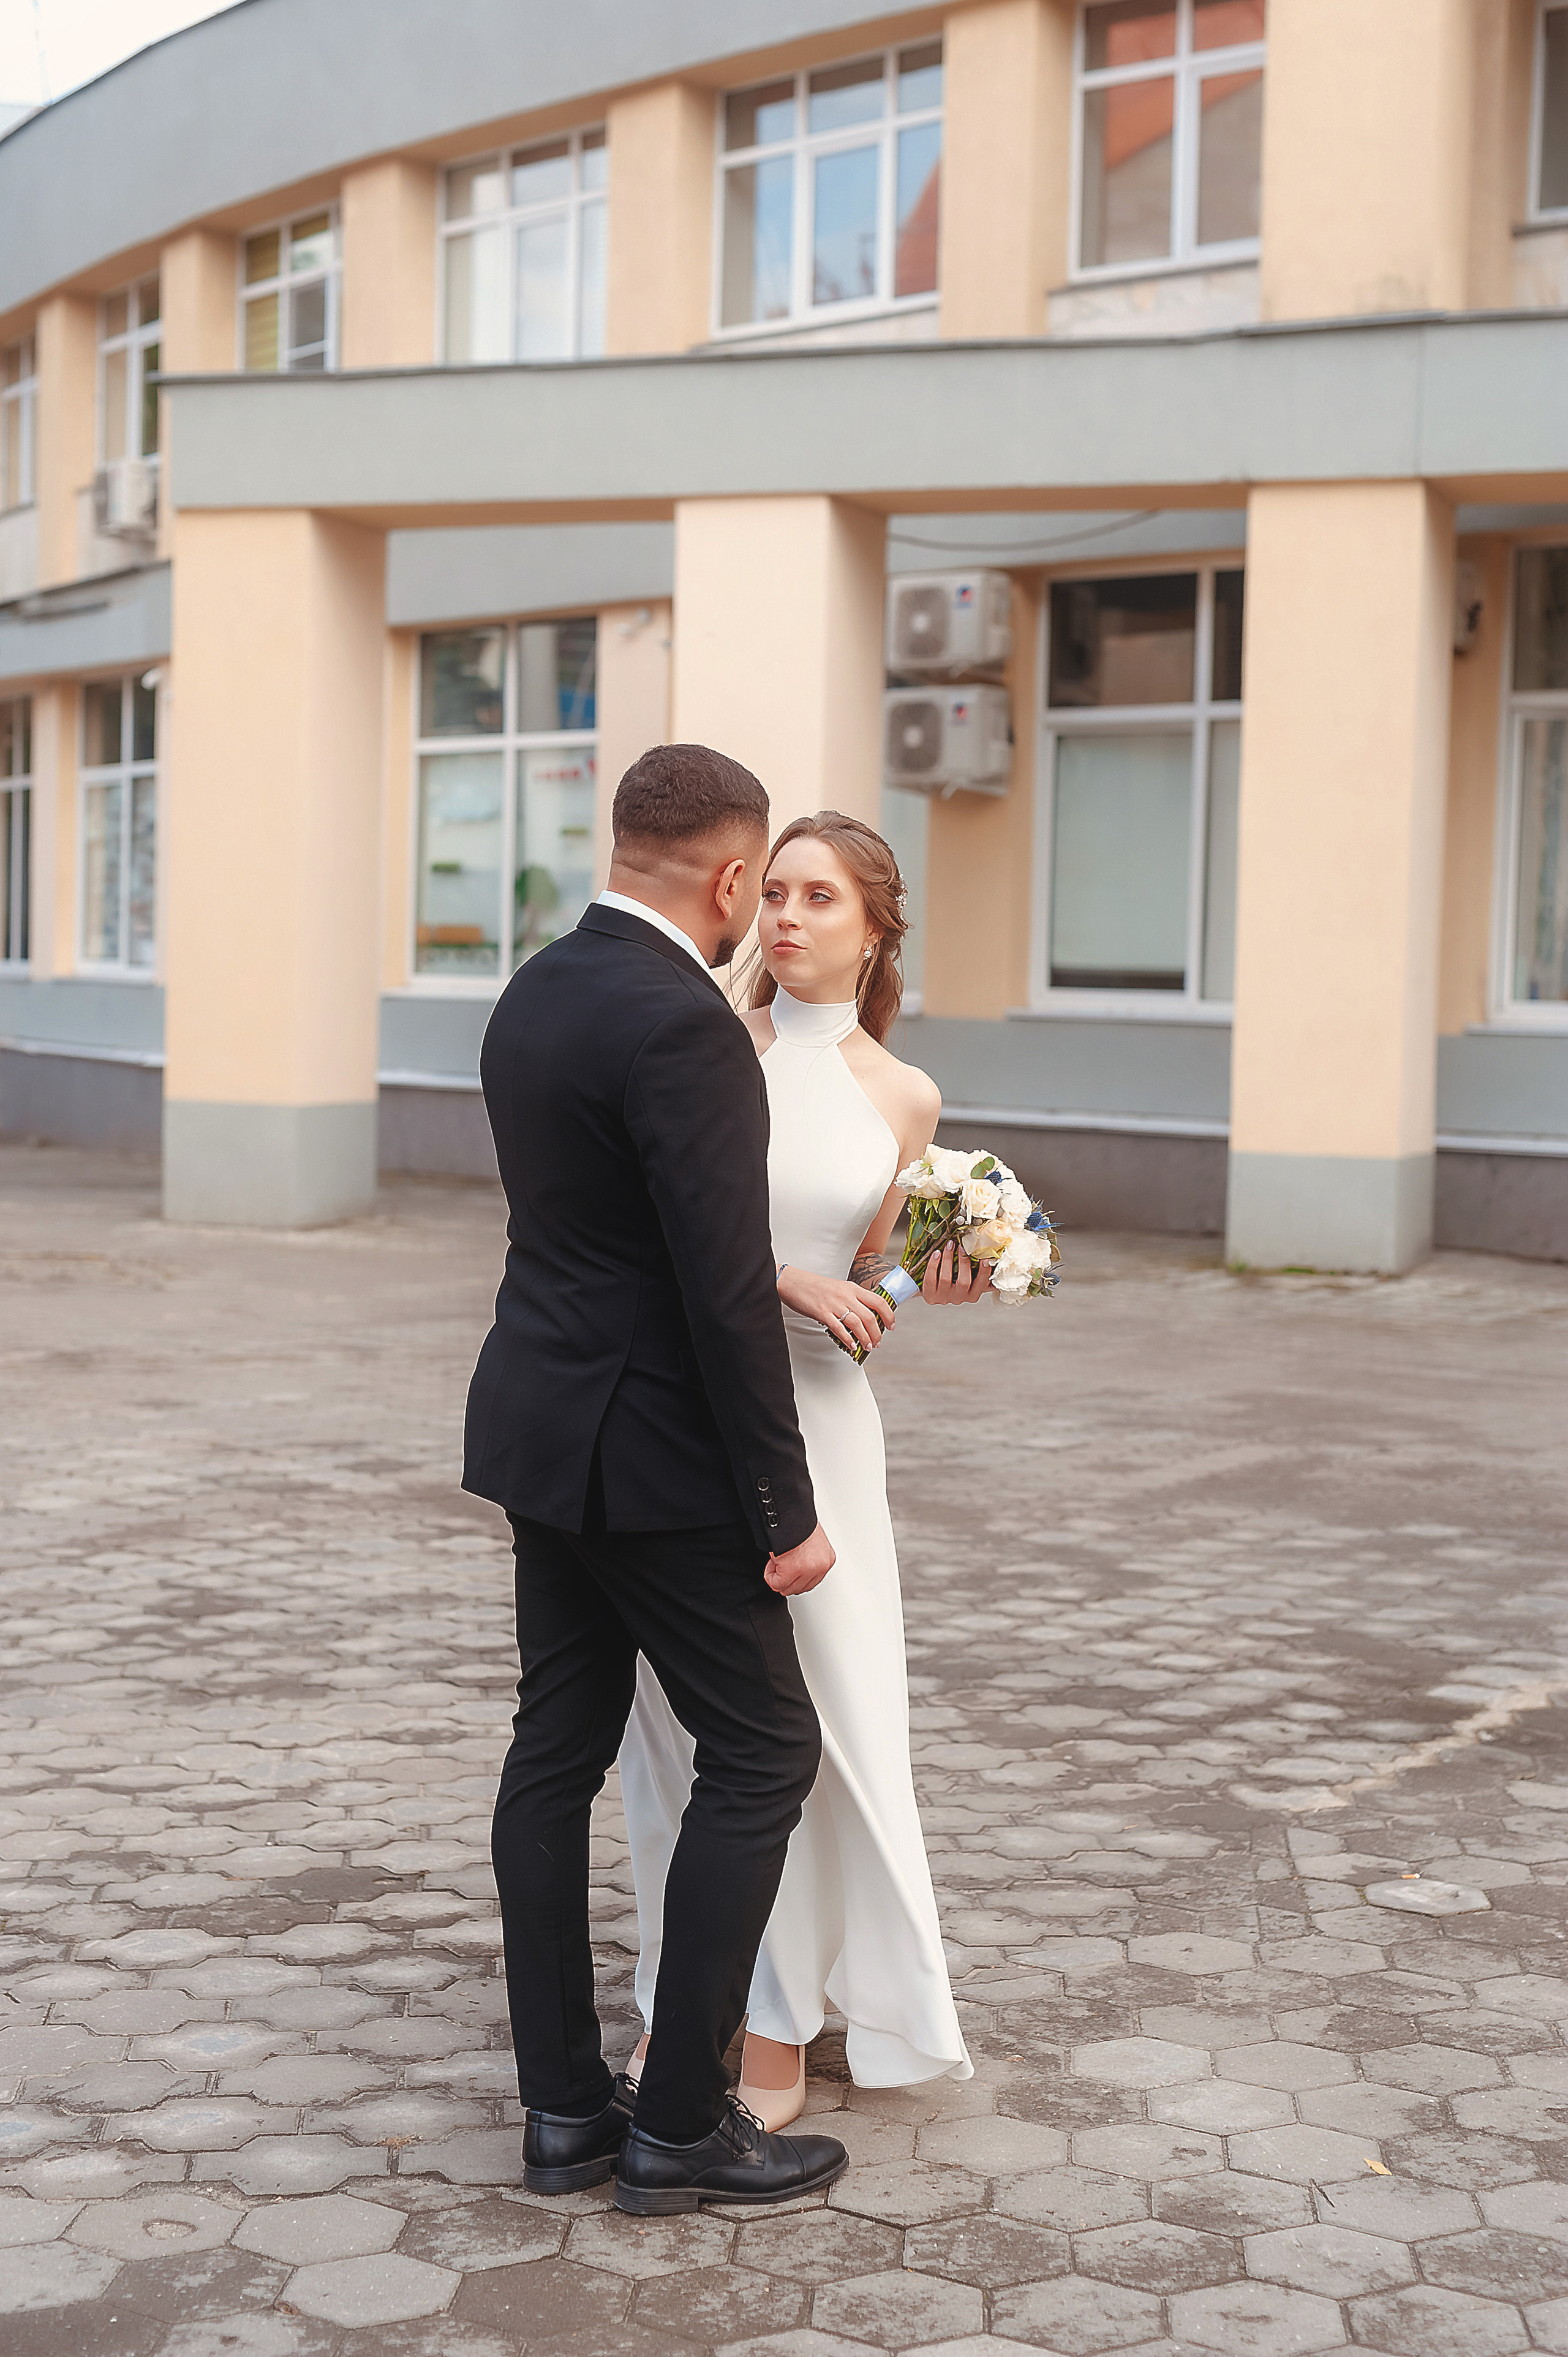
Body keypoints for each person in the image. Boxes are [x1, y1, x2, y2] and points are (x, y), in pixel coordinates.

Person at [464, 745, 850, 2217]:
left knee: (549, 1755)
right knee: (761, 1753)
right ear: (733, 877)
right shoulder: (686, 1026)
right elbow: (718, 1294)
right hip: (660, 1462)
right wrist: (784, 1510)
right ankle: (681, 2121)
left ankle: (564, 2106)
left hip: (539, 1433)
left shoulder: (540, 988)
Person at [618, 809, 983, 2132]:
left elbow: (873, 1273)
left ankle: (779, 2017)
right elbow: (656, 1232)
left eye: (817, 897)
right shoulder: (706, 1047)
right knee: (673, 1732)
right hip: (684, 1419)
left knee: (823, 1728)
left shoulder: (904, 1092)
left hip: (823, 1429)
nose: (783, 916)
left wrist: (936, 1274)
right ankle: (678, 1990)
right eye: (770, 892)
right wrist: (784, 1278)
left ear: (872, 927)